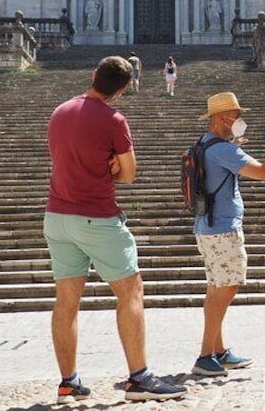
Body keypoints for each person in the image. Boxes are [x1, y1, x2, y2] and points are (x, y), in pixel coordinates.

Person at [44, 56, 186, 403]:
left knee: (66, 299)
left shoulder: (59, 112)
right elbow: (129, 173)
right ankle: (139, 379)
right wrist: (109, 168)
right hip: (97, 216)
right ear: (121, 90)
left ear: (93, 75)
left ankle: (68, 382)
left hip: (57, 216)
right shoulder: (114, 120)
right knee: (131, 291)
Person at [191, 92, 265, 376]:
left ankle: (218, 350)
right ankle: (205, 355)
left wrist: (234, 147)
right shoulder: (225, 150)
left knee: (217, 288)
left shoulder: (206, 144)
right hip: (223, 229)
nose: (240, 120)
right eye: (236, 115)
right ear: (222, 118)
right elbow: (264, 172)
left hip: (207, 226)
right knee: (226, 289)